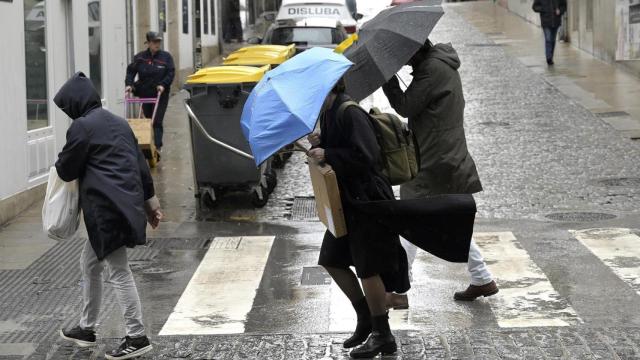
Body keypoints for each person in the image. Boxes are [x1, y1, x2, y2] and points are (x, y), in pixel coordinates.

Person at [382, 41, 499, 305]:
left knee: (409, 217)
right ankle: (482, 279)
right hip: (442, 154)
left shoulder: (432, 69)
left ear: (416, 50)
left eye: (404, 56)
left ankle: (399, 290)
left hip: (434, 158)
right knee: (449, 221)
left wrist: (387, 79)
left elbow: (405, 106)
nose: (404, 62)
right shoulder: (438, 64)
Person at [56, 72, 162, 360]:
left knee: (118, 271)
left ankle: (137, 336)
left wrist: (61, 159)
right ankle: (86, 328)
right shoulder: (117, 122)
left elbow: (66, 170)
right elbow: (141, 165)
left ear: (75, 104)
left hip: (106, 209)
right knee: (89, 264)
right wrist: (151, 205)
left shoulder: (82, 127)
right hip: (125, 205)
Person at [307, 80, 409, 359]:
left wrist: (329, 153)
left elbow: (368, 157)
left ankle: (382, 335)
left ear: (330, 88)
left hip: (367, 200)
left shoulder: (350, 112)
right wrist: (321, 143)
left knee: (368, 267)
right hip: (346, 202)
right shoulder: (329, 112)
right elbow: (343, 148)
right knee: (331, 259)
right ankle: (365, 317)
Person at [125, 31, 175, 154]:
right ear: (148, 43)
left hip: (160, 93)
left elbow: (170, 73)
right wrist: (129, 84)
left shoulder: (166, 57)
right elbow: (131, 71)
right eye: (154, 42)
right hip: (145, 92)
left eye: (159, 41)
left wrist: (163, 85)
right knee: (147, 120)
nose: (157, 44)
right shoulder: (140, 57)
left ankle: (157, 147)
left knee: (157, 120)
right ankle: (145, 144)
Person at [532, 0, 567, 65]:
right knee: (548, 39)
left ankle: (550, 57)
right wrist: (543, 9)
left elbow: (564, 5)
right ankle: (548, 58)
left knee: (553, 40)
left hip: (556, 21)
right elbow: (534, 7)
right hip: (545, 21)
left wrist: (560, 11)